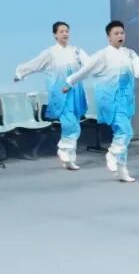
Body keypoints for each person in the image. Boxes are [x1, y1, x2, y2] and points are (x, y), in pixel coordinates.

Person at [62, 21, 139, 183]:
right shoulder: (102, 55)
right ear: (109, 37)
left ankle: (121, 169)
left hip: (126, 99)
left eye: (122, 33)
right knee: (125, 132)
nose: (120, 36)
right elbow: (85, 70)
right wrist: (70, 82)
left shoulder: (129, 53)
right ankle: (112, 154)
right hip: (109, 99)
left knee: (121, 133)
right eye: (116, 33)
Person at [14, 22, 88, 170]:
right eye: (61, 31)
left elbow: (91, 64)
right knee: (70, 124)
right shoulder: (50, 53)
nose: (65, 34)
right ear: (55, 34)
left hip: (76, 92)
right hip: (61, 93)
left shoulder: (77, 51)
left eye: (67, 31)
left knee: (75, 125)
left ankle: (69, 158)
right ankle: (64, 149)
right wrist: (20, 73)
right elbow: (35, 64)